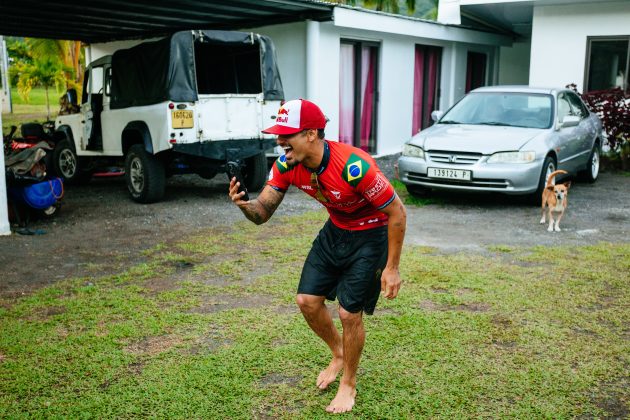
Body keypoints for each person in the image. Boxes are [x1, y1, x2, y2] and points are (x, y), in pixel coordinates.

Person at [228, 99, 406, 414]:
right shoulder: (286, 165)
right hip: (335, 230)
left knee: (350, 314)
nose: (280, 142)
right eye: (278, 135)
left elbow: (397, 212)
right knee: (307, 301)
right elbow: (263, 212)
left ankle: (348, 383)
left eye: (288, 135)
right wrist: (246, 205)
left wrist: (391, 268)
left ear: (311, 134)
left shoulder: (355, 166)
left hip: (371, 235)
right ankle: (339, 353)